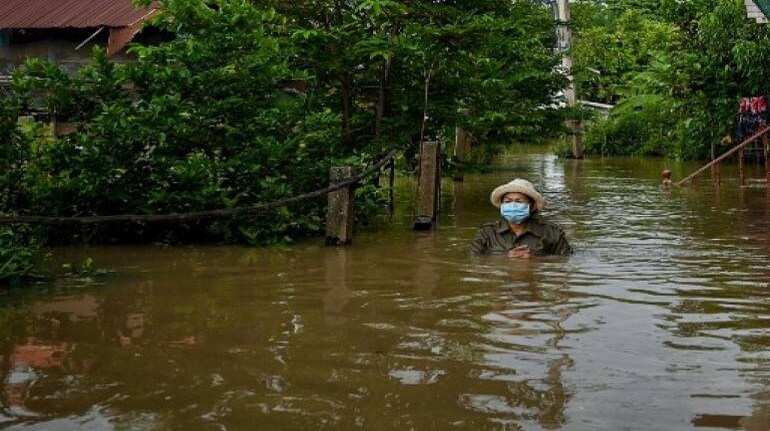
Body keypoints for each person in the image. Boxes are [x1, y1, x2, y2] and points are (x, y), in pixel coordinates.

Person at [470, 178, 571, 257]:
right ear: (502, 205)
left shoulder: (552, 233)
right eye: (508, 201)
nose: (513, 205)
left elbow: (566, 260)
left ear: (532, 206)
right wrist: (506, 257)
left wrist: (536, 259)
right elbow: (473, 259)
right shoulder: (487, 232)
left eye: (519, 201)